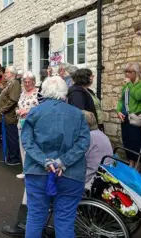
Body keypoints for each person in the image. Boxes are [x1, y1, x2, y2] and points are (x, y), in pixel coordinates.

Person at [22, 76, 90, 237]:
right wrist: (62, 162)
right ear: (64, 93)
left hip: (38, 172)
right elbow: (84, 142)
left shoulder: (35, 112)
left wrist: (45, 161)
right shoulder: (77, 114)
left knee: (35, 217)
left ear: (44, 92)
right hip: (71, 174)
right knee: (65, 220)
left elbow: (27, 141)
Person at [115, 62, 141, 168]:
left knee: (136, 142)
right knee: (127, 141)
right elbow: (121, 99)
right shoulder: (127, 85)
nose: (127, 74)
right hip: (125, 117)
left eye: (129, 72)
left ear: (136, 72)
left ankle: (138, 166)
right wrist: (118, 110)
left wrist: (130, 84)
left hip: (137, 118)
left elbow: (138, 96)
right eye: (125, 72)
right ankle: (131, 163)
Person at [15, 71, 40, 179]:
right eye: (25, 81)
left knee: (32, 147)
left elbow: (41, 109)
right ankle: (25, 170)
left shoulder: (38, 94)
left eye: (29, 81)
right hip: (21, 123)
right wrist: (18, 111)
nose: (27, 83)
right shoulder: (22, 93)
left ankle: (34, 171)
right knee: (22, 147)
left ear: (34, 82)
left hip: (33, 125)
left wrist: (28, 112)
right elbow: (18, 106)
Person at [82, 110, 113, 190]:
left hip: (92, 179)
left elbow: (75, 158)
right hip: (106, 173)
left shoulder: (88, 138)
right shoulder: (100, 133)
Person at [0, 66, 22, 165]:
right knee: (9, 137)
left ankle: (14, 158)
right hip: (7, 116)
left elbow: (13, 100)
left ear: (12, 74)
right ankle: (9, 156)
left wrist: (3, 110)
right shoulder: (10, 83)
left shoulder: (15, 83)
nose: (5, 74)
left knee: (12, 138)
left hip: (11, 116)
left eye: (6, 73)